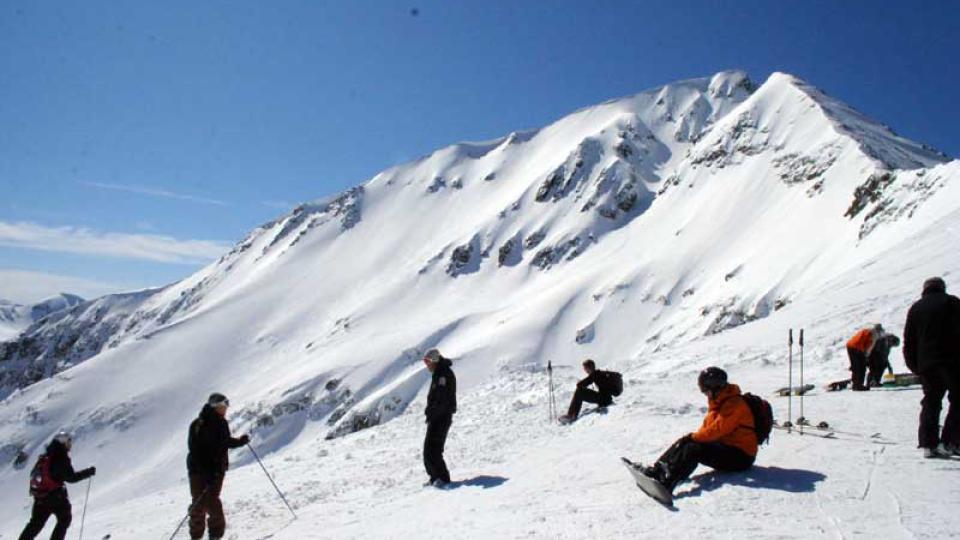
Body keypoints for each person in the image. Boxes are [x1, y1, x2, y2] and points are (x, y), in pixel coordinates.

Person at [636, 367, 757, 495]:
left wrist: (693, 438)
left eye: (706, 391)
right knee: (687, 442)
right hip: (728, 448)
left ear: (715, 388)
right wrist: (689, 439)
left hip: (742, 457)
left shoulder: (734, 404)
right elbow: (706, 430)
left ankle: (667, 483)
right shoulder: (719, 403)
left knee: (695, 449)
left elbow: (716, 431)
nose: (705, 394)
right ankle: (657, 471)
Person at [904, 277, 960, 458]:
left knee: (931, 401)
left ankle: (928, 444)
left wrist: (915, 366)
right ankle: (951, 441)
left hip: (926, 363)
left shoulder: (916, 308)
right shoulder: (952, 302)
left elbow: (909, 341)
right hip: (952, 361)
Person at [186, 393, 250, 540]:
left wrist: (240, 441)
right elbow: (194, 448)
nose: (226, 408)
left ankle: (215, 535)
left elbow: (224, 442)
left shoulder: (221, 423)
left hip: (215, 471)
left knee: (211, 501)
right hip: (199, 469)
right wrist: (206, 469)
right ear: (215, 406)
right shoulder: (198, 424)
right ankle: (196, 536)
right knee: (198, 502)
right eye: (223, 405)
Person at [19, 431, 96, 540]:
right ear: (63, 443)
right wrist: (88, 472)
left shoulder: (47, 455)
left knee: (35, 524)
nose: (70, 445)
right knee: (64, 519)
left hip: (40, 497)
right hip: (55, 497)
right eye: (68, 442)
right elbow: (71, 478)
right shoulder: (61, 457)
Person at [423, 348, 457, 488]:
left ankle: (442, 479)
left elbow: (441, 398)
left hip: (441, 417)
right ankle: (436, 478)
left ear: (434, 361)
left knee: (433, 450)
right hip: (437, 416)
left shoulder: (443, 375)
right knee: (430, 449)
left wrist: (433, 413)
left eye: (427, 362)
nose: (426, 365)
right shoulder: (439, 373)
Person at [846, 324, 882, 391]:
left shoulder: (867, 331)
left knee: (856, 367)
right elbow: (869, 346)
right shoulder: (873, 334)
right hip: (856, 348)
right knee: (860, 367)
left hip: (851, 346)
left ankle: (855, 384)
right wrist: (866, 355)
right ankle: (858, 385)